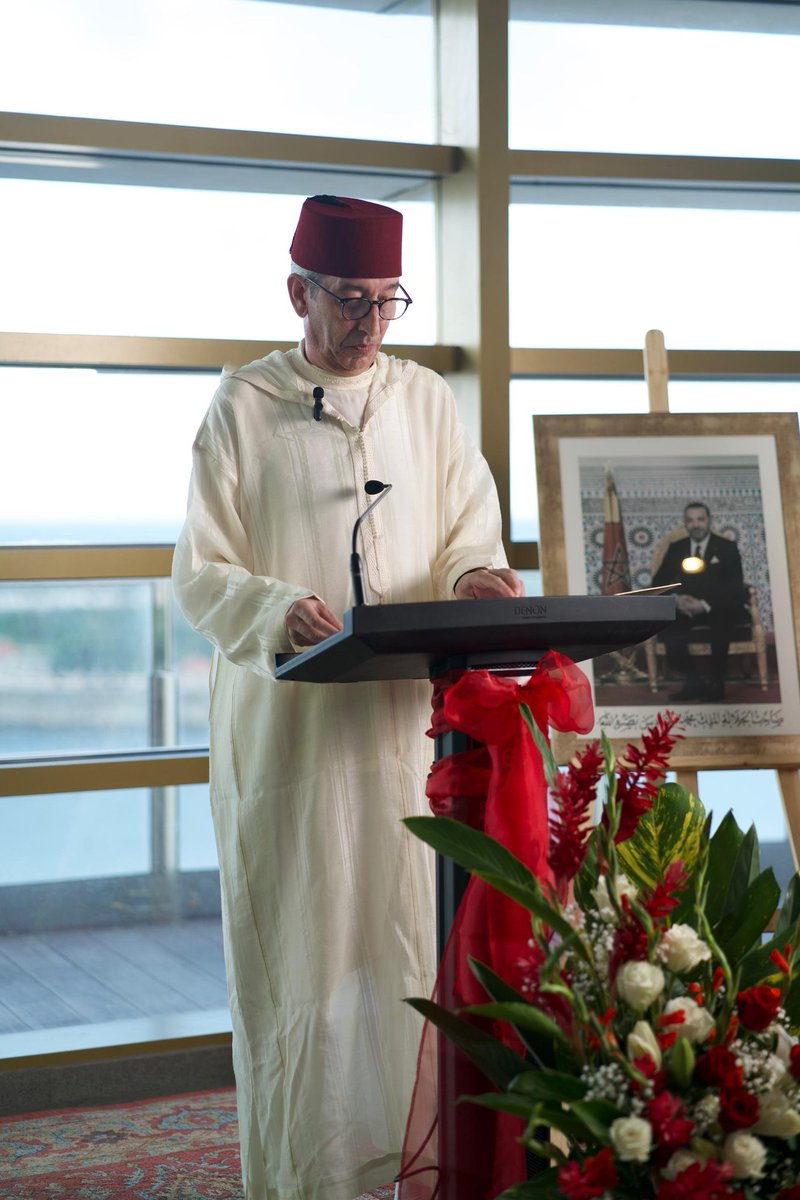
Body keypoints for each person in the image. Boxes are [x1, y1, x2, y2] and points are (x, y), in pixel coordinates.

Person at [172, 194, 523, 1200]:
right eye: (348, 301)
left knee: (407, 957)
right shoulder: (242, 406)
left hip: (404, 736)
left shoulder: (425, 403)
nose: (369, 325)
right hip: (291, 741)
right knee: (304, 973)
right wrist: (279, 608)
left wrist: (473, 579)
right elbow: (200, 573)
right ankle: (302, 1179)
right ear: (298, 293)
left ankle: (408, 1174)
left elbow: (467, 530)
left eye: (386, 301)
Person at [651, 500, 744, 702]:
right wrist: (676, 600)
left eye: (700, 519)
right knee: (668, 624)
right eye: (690, 520)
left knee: (722, 620)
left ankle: (716, 682)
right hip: (684, 607)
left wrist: (704, 605)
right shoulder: (677, 548)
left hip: (717, 607)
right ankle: (693, 682)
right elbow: (658, 582)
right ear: (686, 524)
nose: (696, 524)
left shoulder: (727, 547)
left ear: (709, 521)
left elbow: (735, 586)